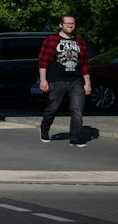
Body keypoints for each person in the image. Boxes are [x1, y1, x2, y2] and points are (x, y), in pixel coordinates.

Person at [38, 14, 95, 147]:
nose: (70, 25)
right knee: (53, 108)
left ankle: (75, 137)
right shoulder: (51, 39)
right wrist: (43, 80)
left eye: (72, 23)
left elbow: (85, 64)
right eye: (67, 23)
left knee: (77, 110)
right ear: (61, 25)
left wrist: (88, 83)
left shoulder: (79, 41)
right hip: (57, 81)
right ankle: (44, 129)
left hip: (76, 81)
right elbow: (43, 61)